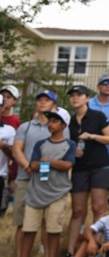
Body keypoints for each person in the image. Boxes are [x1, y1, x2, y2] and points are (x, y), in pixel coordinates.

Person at [12, 90, 69, 256]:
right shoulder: (25, 126)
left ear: (54, 105)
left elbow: (65, 152)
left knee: (48, 224)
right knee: (23, 223)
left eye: (47, 100)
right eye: (40, 100)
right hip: (26, 178)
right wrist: (28, 167)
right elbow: (17, 150)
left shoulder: (61, 127)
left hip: (50, 182)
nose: (42, 102)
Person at [66, 85, 109, 257]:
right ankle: (70, 251)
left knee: (98, 208)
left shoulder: (97, 116)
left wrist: (92, 136)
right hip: (80, 168)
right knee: (78, 211)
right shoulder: (69, 121)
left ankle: (96, 248)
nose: (75, 98)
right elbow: (65, 145)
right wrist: (73, 151)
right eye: (72, 95)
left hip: (99, 166)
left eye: (79, 95)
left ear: (87, 98)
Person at [20, 107, 76, 257]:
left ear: (64, 125)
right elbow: (33, 164)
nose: (51, 124)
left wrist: (48, 162)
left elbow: (68, 165)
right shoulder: (40, 144)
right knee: (29, 230)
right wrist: (53, 164)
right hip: (35, 193)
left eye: (55, 121)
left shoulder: (70, 145)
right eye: (50, 121)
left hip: (57, 194)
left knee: (54, 232)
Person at [74, 191, 109, 257]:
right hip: (106, 251)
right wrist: (91, 241)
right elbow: (88, 230)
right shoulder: (107, 219)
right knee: (87, 241)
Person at [0, 85, 21, 215]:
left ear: (15, 101)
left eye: (9, 97)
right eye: (4, 96)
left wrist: (13, 177)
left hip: (5, 170)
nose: (6, 100)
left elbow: (16, 152)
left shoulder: (15, 124)